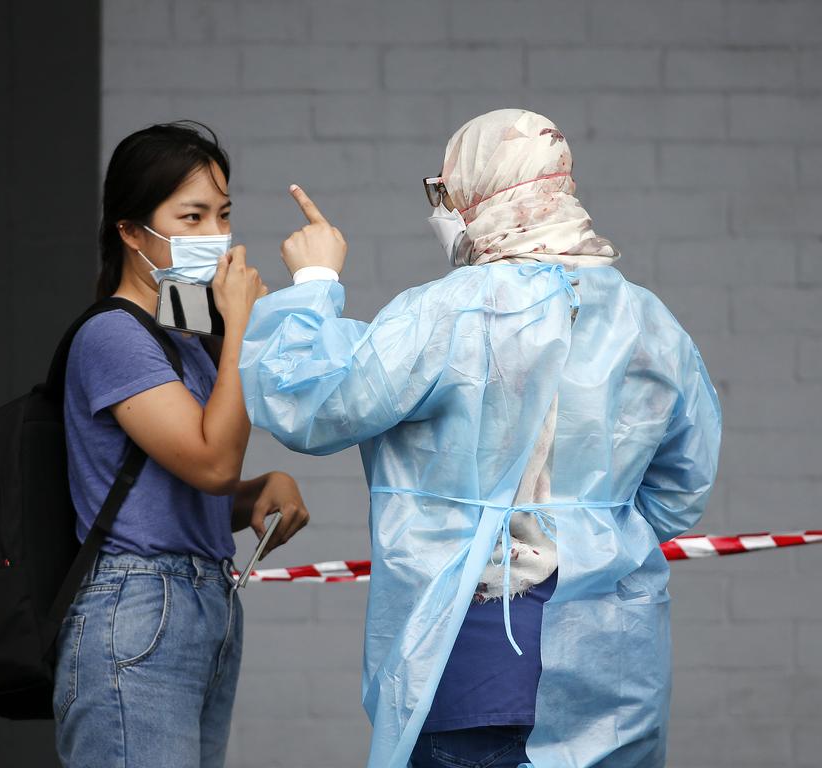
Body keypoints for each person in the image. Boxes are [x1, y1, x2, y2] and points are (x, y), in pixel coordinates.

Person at [239, 109, 722, 768]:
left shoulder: (452, 311)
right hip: (614, 663)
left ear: (474, 193)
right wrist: (584, 538)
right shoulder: (650, 322)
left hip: (476, 655)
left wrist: (315, 281)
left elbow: (309, 401)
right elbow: (678, 494)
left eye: (446, 194)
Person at [53, 122, 311, 768]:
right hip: (139, 607)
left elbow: (177, 486)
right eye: (190, 216)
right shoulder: (113, 334)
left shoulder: (186, 338)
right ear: (131, 232)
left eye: (222, 216)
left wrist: (253, 495)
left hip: (201, 604)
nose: (214, 237)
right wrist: (242, 327)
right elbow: (215, 460)